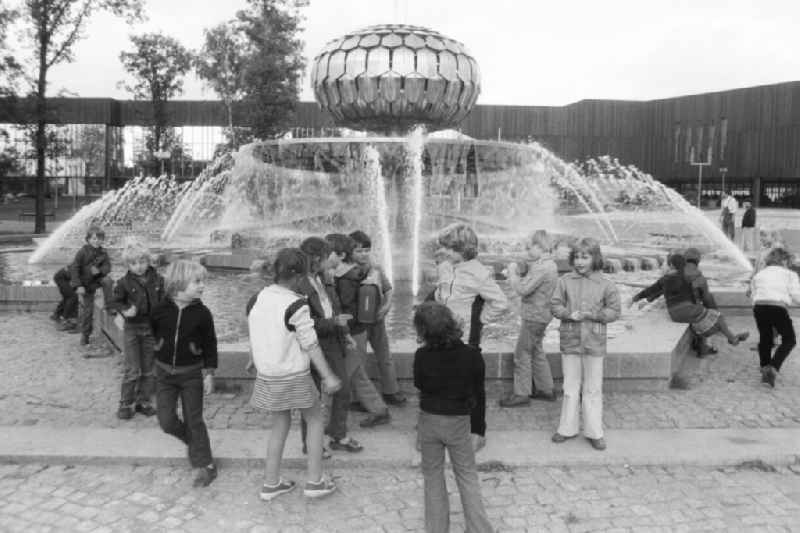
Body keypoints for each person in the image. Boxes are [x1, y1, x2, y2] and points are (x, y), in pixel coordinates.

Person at [247, 248, 341, 501]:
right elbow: (310, 344)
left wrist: (252, 357)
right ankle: (315, 481)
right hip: (293, 375)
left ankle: (271, 483)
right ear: (300, 277)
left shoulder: (257, 298)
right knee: (315, 420)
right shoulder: (297, 304)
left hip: (268, 374)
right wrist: (328, 376)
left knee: (279, 424)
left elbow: (258, 330)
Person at [413, 301, 494, 533]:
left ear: (423, 331)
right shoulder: (471, 356)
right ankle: (479, 529)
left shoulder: (421, 355)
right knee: (467, 476)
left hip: (429, 420)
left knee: (432, 476)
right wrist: (479, 429)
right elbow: (479, 394)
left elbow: (420, 385)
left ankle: (437, 529)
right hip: (458, 422)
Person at [150, 260, 218, 487]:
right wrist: (158, 348)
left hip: (191, 375)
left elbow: (210, 344)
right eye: (197, 282)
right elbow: (153, 331)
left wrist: (209, 372)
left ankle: (205, 464)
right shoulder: (160, 310)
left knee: (194, 419)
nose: (202, 286)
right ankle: (194, 443)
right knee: (166, 421)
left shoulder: (203, 313)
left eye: (202, 282)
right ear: (179, 283)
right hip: (165, 374)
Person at [550, 238, 620, 451]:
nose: (580, 261)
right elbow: (555, 305)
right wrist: (568, 314)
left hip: (594, 342)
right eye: (577, 257)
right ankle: (567, 428)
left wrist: (597, 315)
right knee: (570, 386)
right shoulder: (564, 281)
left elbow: (615, 311)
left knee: (593, 388)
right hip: (571, 339)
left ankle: (594, 431)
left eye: (585, 257)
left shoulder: (606, 284)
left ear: (595, 258)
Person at [296, 236, 363, 454]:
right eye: (326, 257)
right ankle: (310, 443)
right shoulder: (300, 284)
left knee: (343, 388)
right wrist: (333, 322)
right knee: (312, 396)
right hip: (312, 343)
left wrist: (344, 332)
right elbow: (302, 323)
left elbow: (333, 307)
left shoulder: (323, 278)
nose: (330, 261)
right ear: (315, 259)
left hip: (333, 340)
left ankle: (338, 434)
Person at [327, 233, 392, 428]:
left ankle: (335, 422)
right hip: (355, 331)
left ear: (339, 255)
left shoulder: (346, 278)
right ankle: (377, 410)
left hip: (352, 332)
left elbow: (344, 307)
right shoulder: (354, 273)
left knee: (345, 376)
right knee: (356, 374)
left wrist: (342, 330)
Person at [632, 252, 749, 346]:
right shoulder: (691, 277)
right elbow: (702, 297)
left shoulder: (667, 277)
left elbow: (655, 290)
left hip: (676, 311)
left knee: (707, 319)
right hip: (686, 309)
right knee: (716, 316)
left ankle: (729, 338)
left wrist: (639, 299)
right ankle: (731, 339)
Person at [500, 230, 558, 407]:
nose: (527, 251)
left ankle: (521, 393)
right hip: (542, 315)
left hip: (534, 316)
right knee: (536, 350)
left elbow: (522, 290)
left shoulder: (542, 267)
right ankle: (546, 389)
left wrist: (511, 273)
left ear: (540, 246)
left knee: (522, 354)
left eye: (529, 247)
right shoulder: (549, 265)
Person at [108, 240, 165, 420]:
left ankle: (143, 402)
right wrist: (125, 310)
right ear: (128, 265)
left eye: (141, 262)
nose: (138, 267)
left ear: (148, 261)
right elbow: (114, 301)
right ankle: (125, 403)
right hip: (132, 329)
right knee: (133, 369)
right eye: (133, 263)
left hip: (151, 329)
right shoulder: (123, 283)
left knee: (149, 369)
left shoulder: (158, 280)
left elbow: (165, 301)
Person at [349, 230, 406, 405]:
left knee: (384, 355)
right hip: (357, 323)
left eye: (367, 250)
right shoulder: (346, 273)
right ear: (350, 252)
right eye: (359, 251)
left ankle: (391, 391)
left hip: (377, 320)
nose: (364, 254)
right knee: (358, 360)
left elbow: (388, 290)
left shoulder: (376, 268)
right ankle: (357, 398)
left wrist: (387, 306)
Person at [432, 223, 508, 349]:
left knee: (462, 365)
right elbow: (441, 291)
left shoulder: (478, 273)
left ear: (462, 249)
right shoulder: (445, 266)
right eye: (443, 246)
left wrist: (480, 320)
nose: (442, 251)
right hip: (443, 330)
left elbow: (500, 302)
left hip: (465, 336)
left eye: (447, 248)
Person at [750, 247, 800, 388]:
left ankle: (765, 368)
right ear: (784, 260)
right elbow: (796, 296)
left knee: (765, 338)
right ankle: (773, 368)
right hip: (777, 307)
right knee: (789, 340)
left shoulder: (759, 274)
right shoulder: (790, 274)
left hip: (759, 306)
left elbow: (753, 295)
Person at [69, 225, 113, 347]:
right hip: (86, 284)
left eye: (99, 238)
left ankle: (110, 306)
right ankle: (85, 335)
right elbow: (74, 268)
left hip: (97, 280)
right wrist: (78, 285)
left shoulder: (103, 253)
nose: (96, 241)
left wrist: (100, 271)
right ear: (88, 239)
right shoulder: (82, 252)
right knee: (88, 311)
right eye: (93, 238)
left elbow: (108, 267)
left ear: (102, 240)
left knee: (108, 281)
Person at [682, 248, 719, 356]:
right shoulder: (699, 277)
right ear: (698, 262)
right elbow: (707, 299)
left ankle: (698, 341)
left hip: (675, 308)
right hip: (692, 310)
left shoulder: (675, 273)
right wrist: (715, 312)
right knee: (709, 315)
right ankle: (707, 346)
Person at [52, 265, 79, 332]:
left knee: (68, 296)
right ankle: (65, 320)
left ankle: (57, 314)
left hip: (64, 277)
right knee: (72, 297)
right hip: (61, 278)